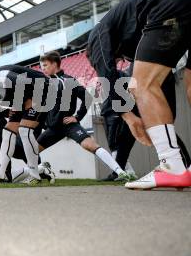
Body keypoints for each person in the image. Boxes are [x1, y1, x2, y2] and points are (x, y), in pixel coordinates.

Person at [87, 0, 191, 189]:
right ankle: (180, 165)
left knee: (140, 84)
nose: (118, 62)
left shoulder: (97, 34)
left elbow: (107, 74)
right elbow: (165, 80)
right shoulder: (137, 41)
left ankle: (173, 167)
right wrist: (164, 123)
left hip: (172, 2)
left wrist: (128, 117)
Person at [37, 51, 133, 181]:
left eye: (45, 65)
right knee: (32, 151)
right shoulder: (48, 84)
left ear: (54, 64)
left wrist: (77, 117)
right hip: (53, 129)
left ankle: (120, 172)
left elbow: (87, 97)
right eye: (41, 66)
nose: (43, 68)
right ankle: (41, 173)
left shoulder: (69, 80)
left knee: (91, 145)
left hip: (68, 125)